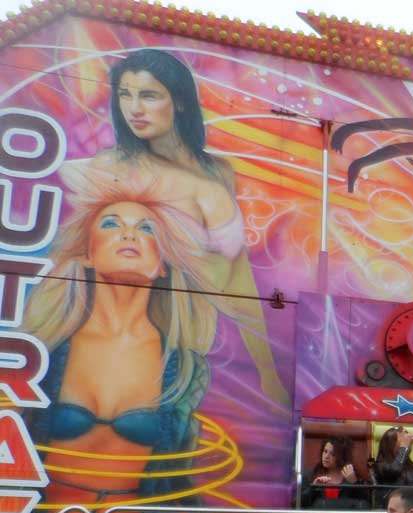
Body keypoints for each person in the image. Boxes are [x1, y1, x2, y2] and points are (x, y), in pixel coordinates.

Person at [23, 173, 231, 513]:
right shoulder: (46, 351)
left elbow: (176, 484)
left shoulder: (180, 365)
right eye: (112, 223)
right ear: (89, 253)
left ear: (162, 263)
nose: (130, 234)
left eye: (147, 228)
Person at [88, 48, 288, 407]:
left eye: (148, 95)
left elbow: (236, 276)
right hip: (122, 342)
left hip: (191, 351)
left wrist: (268, 372)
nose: (134, 108)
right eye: (125, 95)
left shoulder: (219, 174)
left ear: (179, 101)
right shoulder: (113, 168)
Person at [372, 427, 413, 506]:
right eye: (401, 438)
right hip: (394, 508)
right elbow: (394, 470)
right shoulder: (380, 465)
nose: (406, 441)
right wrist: (404, 449)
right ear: (390, 444)